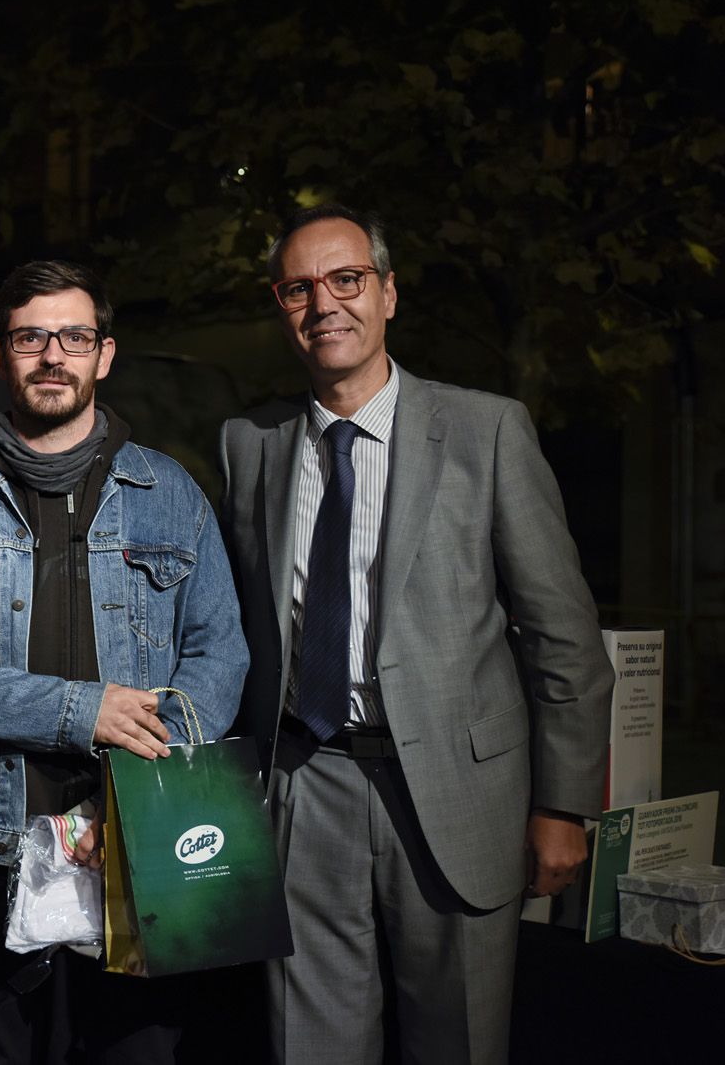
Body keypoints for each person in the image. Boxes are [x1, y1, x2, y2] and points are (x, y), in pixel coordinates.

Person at [219, 204, 614, 1064]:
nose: (325, 303)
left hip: (456, 794)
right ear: (281, 307)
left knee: (459, 1043)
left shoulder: (488, 429)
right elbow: (240, 627)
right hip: (303, 783)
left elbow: (563, 635)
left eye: (347, 279)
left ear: (388, 293)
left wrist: (563, 802)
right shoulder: (249, 444)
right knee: (307, 1045)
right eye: (300, 287)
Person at [0, 260, 248, 1063]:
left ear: (105, 353)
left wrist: (132, 793)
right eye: (31, 337)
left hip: (139, 844)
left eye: (74, 336)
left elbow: (220, 655)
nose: (54, 354)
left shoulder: (172, 494)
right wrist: (81, 709)